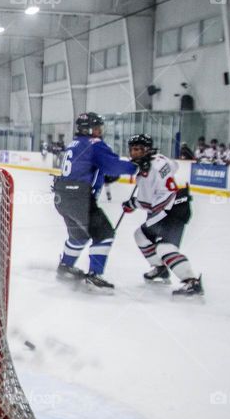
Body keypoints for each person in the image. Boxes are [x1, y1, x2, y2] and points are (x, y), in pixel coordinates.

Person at [52, 112, 137, 291]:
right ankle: (95, 275)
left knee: (79, 235)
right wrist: (136, 166)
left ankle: (65, 267)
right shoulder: (94, 144)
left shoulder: (73, 144)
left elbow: (84, 168)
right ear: (88, 129)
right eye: (97, 128)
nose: (100, 131)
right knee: (105, 233)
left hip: (63, 197)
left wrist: (101, 178)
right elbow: (112, 165)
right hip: (80, 199)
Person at [122, 134, 203, 297]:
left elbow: (146, 202)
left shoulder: (146, 172)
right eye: (132, 149)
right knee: (141, 235)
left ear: (146, 150)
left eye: (138, 149)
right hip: (175, 204)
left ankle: (191, 282)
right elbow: (174, 166)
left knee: (165, 248)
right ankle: (160, 268)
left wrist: (131, 204)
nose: (134, 153)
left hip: (172, 210)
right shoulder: (159, 157)